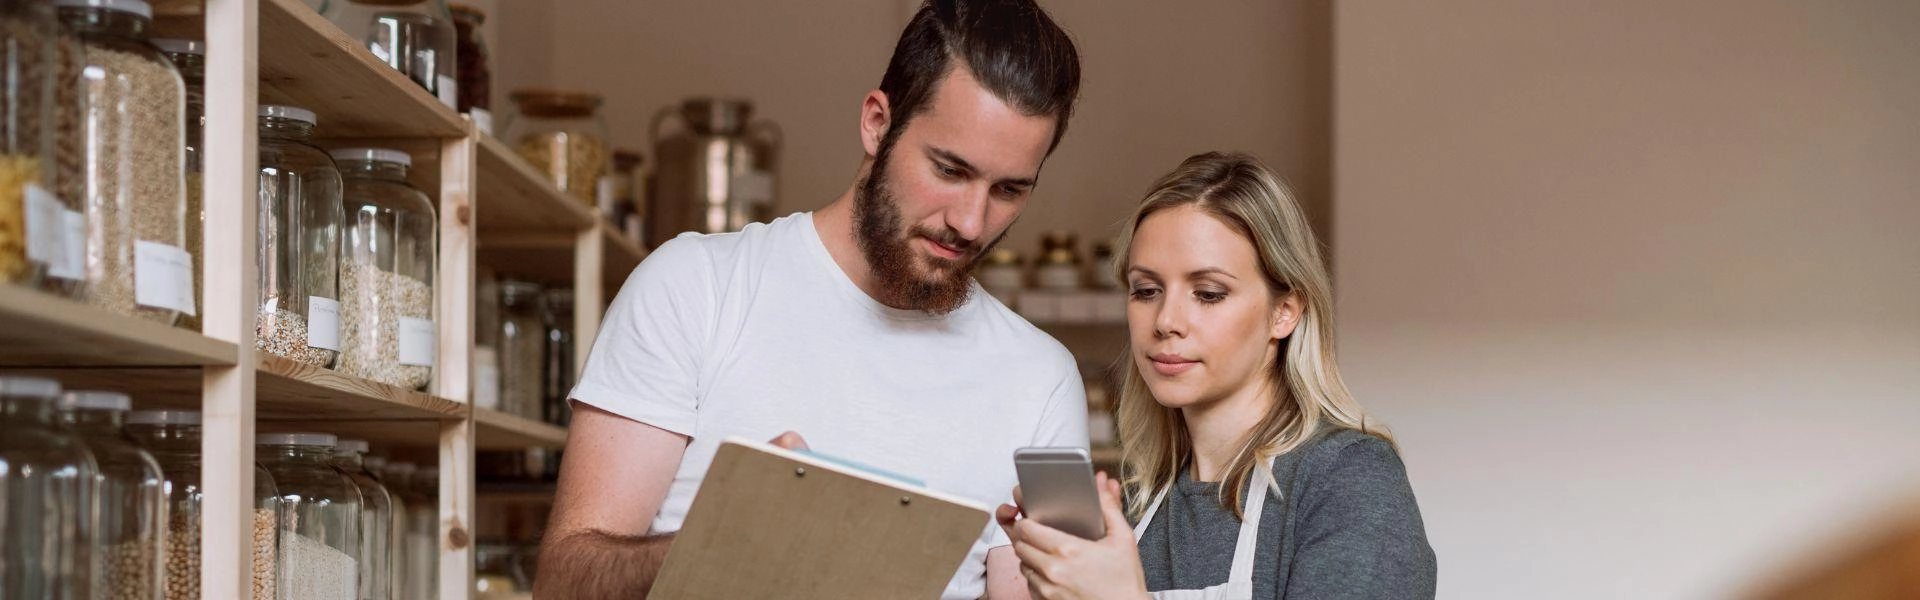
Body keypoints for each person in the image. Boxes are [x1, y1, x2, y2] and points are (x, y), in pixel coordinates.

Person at [533, 1, 1085, 597]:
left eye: (1008, 189)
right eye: (950, 170)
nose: (972, 223)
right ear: (877, 122)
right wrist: (724, 540)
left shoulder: (1041, 378)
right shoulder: (694, 287)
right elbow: (564, 583)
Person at [997, 152, 1437, 599]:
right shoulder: (1137, 508)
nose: (1166, 320)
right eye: (1146, 291)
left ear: (1283, 313)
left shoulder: (1347, 479)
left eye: (1208, 294)